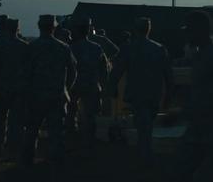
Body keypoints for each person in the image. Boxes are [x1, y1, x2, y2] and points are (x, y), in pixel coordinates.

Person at [172, 10, 213, 181]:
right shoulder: (204, 54)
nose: (186, 35)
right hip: (206, 123)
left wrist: (182, 113)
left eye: (189, 30)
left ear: (199, 30)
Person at [109, 17, 173, 162]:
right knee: (147, 126)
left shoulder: (129, 48)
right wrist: (169, 94)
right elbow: (169, 76)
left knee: (143, 127)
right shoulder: (159, 49)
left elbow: (116, 71)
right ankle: (146, 154)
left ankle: (145, 156)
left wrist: (112, 88)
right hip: (154, 95)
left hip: (137, 94)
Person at [19, 15, 77, 167]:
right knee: (56, 131)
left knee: (32, 130)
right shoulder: (63, 47)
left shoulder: (31, 47)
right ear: (54, 27)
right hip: (57, 96)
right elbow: (73, 72)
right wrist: (65, 89)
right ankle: (56, 160)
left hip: (35, 96)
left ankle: (27, 159)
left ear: (39, 26)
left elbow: (24, 73)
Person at [0, 15, 29, 150]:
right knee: (17, 119)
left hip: (0, 86)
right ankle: (14, 146)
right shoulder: (25, 46)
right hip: (18, 88)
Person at [68, 17, 110, 147]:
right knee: (90, 117)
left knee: (71, 114)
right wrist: (104, 87)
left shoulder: (70, 48)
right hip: (92, 85)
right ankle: (88, 142)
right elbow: (105, 70)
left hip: (74, 86)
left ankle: (72, 140)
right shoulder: (96, 48)